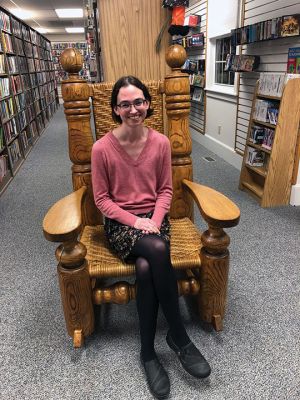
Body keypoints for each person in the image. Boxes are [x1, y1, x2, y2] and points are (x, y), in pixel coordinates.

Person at [91, 76, 211, 399]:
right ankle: (179, 336)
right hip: (120, 224)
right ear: (116, 109)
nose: (133, 109)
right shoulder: (101, 148)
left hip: (156, 222)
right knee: (157, 250)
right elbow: (102, 200)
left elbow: (165, 190)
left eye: (139, 102)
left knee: (146, 267)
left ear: (147, 103)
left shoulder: (161, 143)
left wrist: (154, 221)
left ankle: (147, 352)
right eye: (125, 104)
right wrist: (137, 222)